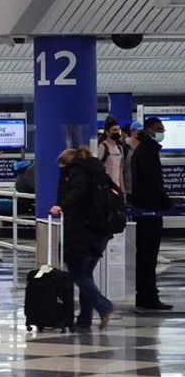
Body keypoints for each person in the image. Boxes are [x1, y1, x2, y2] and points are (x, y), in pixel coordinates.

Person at [50, 147, 115, 330]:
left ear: (67, 162)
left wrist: (61, 206)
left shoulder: (76, 172)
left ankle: (103, 306)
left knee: (77, 273)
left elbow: (77, 191)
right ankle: (85, 319)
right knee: (86, 275)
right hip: (100, 231)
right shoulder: (97, 171)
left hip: (80, 231)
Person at [130, 117, 174, 311]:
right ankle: (148, 296)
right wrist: (166, 202)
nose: (162, 132)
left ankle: (145, 294)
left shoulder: (142, 150)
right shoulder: (148, 152)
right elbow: (153, 182)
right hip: (150, 210)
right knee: (148, 255)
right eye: (159, 129)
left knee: (145, 255)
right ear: (149, 130)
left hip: (145, 208)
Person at [96, 117, 128, 195]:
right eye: (114, 130)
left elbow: (120, 170)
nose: (117, 132)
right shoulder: (102, 147)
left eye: (118, 130)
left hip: (117, 188)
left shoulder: (120, 148)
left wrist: (122, 189)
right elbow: (98, 169)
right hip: (106, 189)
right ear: (107, 132)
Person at [123, 121, 142, 199]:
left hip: (141, 189)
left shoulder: (143, 147)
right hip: (128, 189)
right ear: (132, 132)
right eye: (139, 131)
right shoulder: (124, 147)